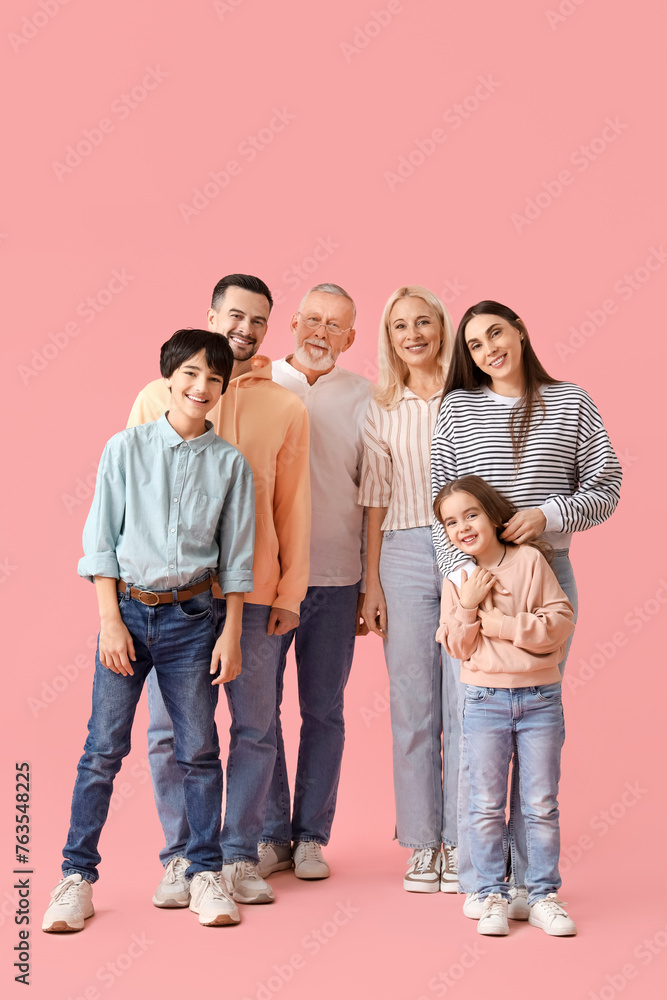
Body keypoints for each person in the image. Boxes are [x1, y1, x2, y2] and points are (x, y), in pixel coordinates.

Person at [42, 329, 255, 932]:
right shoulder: (125, 449)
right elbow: (100, 543)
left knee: (198, 750)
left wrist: (231, 632)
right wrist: (111, 621)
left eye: (214, 378)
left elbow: (237, 560)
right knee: (103, 748)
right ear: (168, 377)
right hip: (128, 616)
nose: (201, 387)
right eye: (190, 373)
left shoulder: (230, 464)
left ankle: (203, 872)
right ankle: (76, 877)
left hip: (194, 621)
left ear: (223, 387)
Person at [430, 300, 622, 918]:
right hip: (475, 578)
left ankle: (531, 884)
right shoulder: (457, 408)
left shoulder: (571, 401)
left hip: (545, 572)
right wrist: (466, 582)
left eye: (497, 334)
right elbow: (440, 500)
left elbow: (608, 483)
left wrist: (549, 514)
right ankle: (488, 879)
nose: (489, 349)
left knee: (535, 707)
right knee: (482, 713)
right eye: (476, 344)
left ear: (519, 332)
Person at [127, 275, 310, 912]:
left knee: (256, 727)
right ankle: (183, 855)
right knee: (165, 732)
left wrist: (291, 589)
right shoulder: (156, 397)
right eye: (235, 315)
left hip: (255, 595)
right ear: (210, 314)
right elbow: (132, 501)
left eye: (259, 320)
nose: (246, 328)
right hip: (172, 600)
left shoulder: (286, 407)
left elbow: (294, 509)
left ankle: (238, 855)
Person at [259, 283, 373, 880]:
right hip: (267, 581)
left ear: (351, 338)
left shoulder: (367, 398)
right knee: (262, 709)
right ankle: (272, 833)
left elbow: (376, 496)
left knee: (324, 711)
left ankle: (311, 836)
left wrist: (369, 585)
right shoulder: (258, 382)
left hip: (335, 579)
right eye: (314, 320)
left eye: (337, 326)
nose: (322, 333)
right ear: (294, 322)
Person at [435, 476, 576, 936]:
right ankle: (489, 893)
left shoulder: (531, 561)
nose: (463, 527)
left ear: (494, 516)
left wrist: (493, 622)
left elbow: (558, 623)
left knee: (540, 803)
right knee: (485, 803)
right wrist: (468, 607)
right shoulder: (457, 579)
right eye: (451, 522)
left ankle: (541, 894)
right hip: (483, 701)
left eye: (471, 514)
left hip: (539, 699)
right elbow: (457, 646)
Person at [360, 285, 460, 893]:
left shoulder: (470, 398)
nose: (414, 334)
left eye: (424, 322)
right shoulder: (381, 406)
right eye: (401, 326)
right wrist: (370, 581)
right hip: (401, 552)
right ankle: (424, 843)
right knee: (414, 706)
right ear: (389, 339)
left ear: (443, 329)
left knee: (468, 703)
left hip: (469, 551)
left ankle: (463, 839)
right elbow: (373, 497)